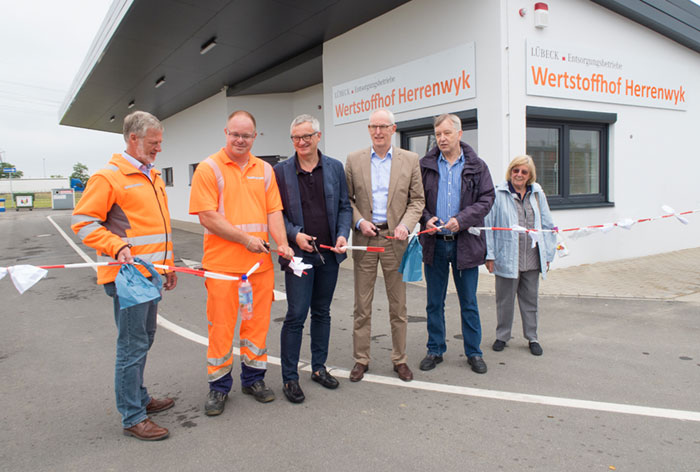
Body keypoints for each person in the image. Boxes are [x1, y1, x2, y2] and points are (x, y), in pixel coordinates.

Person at [71, 111, 177, 441]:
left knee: (144, 339)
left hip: (151, 276)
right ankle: (133, 415)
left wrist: (168, 265)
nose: (159, 147)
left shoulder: (152, 175)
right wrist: (115, 246)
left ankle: (140, 398)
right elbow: (84, 221)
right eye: (153, 142)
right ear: (134, 139)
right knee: (131, 346)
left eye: (160, 142)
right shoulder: (109, 177)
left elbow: (156, 228)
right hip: (127, 279)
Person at [189, 110, 294, 416]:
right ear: (226, 133)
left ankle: (254, 380)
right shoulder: (208, 169)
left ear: (255, 137)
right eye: (235, 134)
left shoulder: (265, 170)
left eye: (246, 135)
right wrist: (244, 239)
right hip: (222, 267)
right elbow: (207, 215)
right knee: (221, 328)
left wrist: (283, 243)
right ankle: (219, 387)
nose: (240, 140)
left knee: (256, 325)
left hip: (258, 269)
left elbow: (274, 211)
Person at [273, 114, 352, 403]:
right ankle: (290, 378)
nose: (301, 142)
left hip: (329, 255)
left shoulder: (334, 168)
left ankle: (318, 368)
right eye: (296, 138)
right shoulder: (280, 172)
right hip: (298, 258)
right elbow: (276, 213)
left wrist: (343, 234)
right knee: (295, 315)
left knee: (322, 312)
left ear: (318, 136)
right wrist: (294, 235)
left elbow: (345, 207)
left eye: (307, 136)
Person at [345, 109, 425, 382]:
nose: (378, 132)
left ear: (393, 129)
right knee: (362, 305)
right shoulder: (354, 160)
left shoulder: (410, 160)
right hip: (366, 239)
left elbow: (417, 200)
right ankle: (361, 359)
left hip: (395, 240)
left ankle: (399, 359)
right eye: (373, 127)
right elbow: (348, 201)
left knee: (398, 306)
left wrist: (406, 224)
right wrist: (358, 223)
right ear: (368, 130)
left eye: (383, 127)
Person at [418, 113, 494, 374]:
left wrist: (461, 220)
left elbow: (487, 199)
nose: (442, 138)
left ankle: (474, 352)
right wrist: (427, 218)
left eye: (447, 133)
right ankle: (435, 349)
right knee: (434, 301)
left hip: (465, 243)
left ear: (459, 134)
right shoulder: (425, 165)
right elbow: (416, 199)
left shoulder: (477, 165)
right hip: (435, 243)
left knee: (468, 301)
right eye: (438, 134)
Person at [485, 155, 556, 356]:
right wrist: (489, 255)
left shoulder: (537, 194)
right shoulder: (499, 193)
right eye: (516, 170)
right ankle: (502, 336)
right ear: (511, 171)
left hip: (532, 256)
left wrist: (548, 254)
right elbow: (489, 226)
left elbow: (548, 225)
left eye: (524, 172)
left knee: (530, 301)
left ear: (529, 176)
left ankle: (532, 337)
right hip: (506, 256)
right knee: (504, 301)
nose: (519, 174)